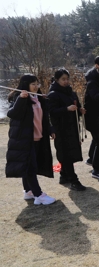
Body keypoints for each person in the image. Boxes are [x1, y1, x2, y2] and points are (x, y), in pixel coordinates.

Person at [5, 74, 56, 205]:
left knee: (29, 166)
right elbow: (12, 114)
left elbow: (43, 118)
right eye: (33, 84)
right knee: (30, 167)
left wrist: (50, 130)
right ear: (25, 85)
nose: (35, 86)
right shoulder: (19, 97)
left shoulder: (37, 98)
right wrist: (21, 99)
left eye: (37, 84)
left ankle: (28, 191)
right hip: (25, 139)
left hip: (38, 137)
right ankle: (38, 195)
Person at [47, 68, 86, 191]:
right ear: (57, 80)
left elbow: (77, 107)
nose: (66, 81)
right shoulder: (52, 94)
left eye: (67, 79)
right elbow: (51, 112)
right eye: (63, 79)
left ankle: (64, 175)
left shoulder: (71, 93)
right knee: (66, 154)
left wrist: (80, 111)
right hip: (61, 129)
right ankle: (74, 181)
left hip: (72, 127)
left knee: (70, 152)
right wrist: (66, 109)